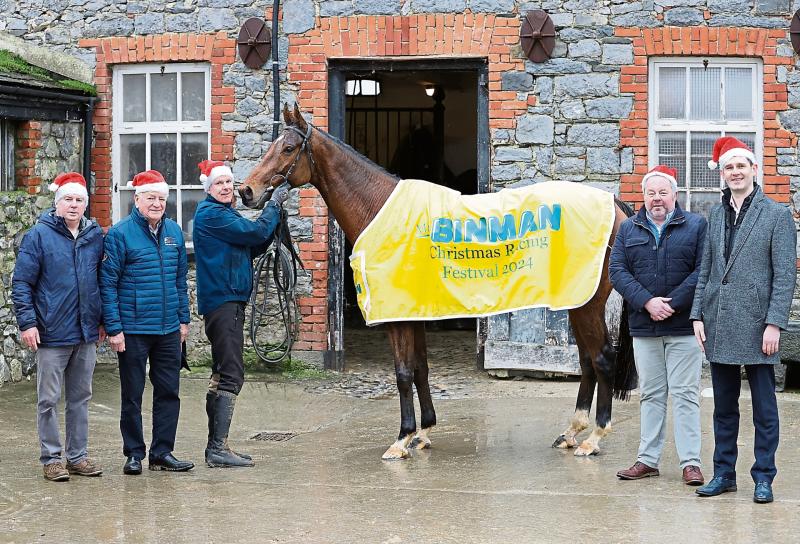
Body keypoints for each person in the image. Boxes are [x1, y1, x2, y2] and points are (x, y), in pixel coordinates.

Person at [691, 136, 797, 504]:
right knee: (724, 407)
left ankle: (763, 476)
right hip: (718, 322)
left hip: (757, 326)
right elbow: (705, 268)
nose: (735, 172)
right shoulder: (716, 214)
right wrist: (696, 315)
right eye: (728, 167)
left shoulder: (777, 214)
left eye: (741, 166)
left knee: (764, 409)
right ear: (722, 174)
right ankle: (724, 473)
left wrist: (774, 323)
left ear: (754, 169)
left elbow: (785, 275)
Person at [610, 165, 708, 486]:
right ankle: (648, 459)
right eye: (651, 193)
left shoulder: (696, 226)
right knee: (651, 394)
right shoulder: (629, 230)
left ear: (674, 195)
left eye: (662, 192)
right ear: (643, 197)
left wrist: (672, 303)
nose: (657, 199)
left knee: (685, 395)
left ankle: (691, 463)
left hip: (682, 328)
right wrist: (648, 302)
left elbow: (702, 272)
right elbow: (618, 271)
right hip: (644, 325)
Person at [193, 159, 288, 467]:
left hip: (227, 300)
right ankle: (217, 448)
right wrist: (273, 205)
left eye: (227, 183)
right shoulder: (212, 215)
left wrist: (270, 231)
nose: (225, 188)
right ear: (209, 188)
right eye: (219, 183)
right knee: (232, 373)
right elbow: (252, 232)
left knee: (222, 371)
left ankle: (217, 446)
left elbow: (250, 243)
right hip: (224, 301)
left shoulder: (223, 215)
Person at [12, 172, 105, 481]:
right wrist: (28, 323)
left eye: (79, 200)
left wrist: (102, 320)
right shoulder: (39, 235)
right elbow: (22, 283)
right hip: (52, 332)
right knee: (48, 399)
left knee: (80, 398)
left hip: (85, 333)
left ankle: (77, 456)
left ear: (85, 205)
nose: (74, 205)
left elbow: (102, 282)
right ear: (57, 203)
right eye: (68, 199)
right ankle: (52, 458)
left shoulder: (94, 236)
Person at [100, 169, 194, 475]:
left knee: (168, 392)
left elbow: (181, 281)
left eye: (161, 198)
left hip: (168, 329)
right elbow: (108, 284)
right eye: (150, 197)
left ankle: (162, 453)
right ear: (137, 199)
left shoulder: (174, 233)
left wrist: (183, 320)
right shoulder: (119, 234)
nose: (156, 203)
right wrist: (114, 329)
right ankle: (134, 453)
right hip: (134, 329)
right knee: (133, 394)